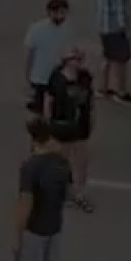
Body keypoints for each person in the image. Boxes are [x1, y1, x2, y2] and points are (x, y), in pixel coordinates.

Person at [12, 118, 73, 261]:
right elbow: (67, 194)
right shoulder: (62, 164)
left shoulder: (30, 167)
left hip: (34, 229)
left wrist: (16, 236)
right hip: (54, 225)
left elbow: (25, 203)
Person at [44, 47, 97, 213]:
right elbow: (49, 99)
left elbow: (91, 100)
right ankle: (62, 191)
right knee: (62, 160)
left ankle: (80, 193)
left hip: (81, 126)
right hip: (62, 126)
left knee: (82, 162)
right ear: (67, 61)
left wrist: (93, 118)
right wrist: (48, 121)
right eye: (76, 58)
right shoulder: (57, 78)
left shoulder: (85, 77)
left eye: (81, 58)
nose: (80, 61)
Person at [25, 0, 74, 114]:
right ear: (50, 12)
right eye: (57, 12)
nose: (60, 16)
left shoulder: (65, 30)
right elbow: (30, 52)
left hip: (56, 71)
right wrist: (28, 72)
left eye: (63, 13)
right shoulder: (37, 29)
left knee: (56, 98)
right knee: (43, 99)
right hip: (40, 72)